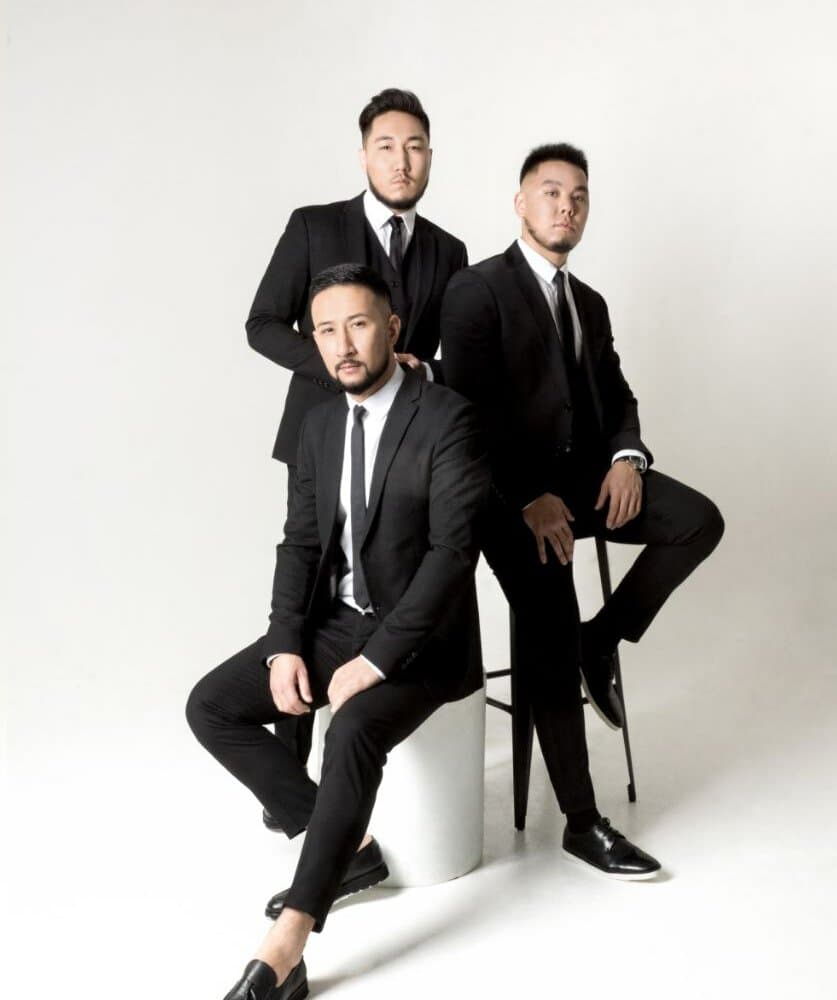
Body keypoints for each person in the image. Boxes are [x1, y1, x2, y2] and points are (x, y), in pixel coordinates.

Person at [187, 263, 488, 1000]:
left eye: (357, 324)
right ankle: (345, 843)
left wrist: (377, 660)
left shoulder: (447, 417)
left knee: (349, 729)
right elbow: (298, 543)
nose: (342, 345)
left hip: (425, 641)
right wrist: (285, 643)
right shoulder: (319, 424)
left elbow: (452, 557)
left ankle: (288, 942)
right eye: (325, 330)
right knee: (211, 705)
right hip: (337, 622)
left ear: (391, 328)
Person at [441, 143, 724, 878]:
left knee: (698, 520)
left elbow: (617, 393)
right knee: (548, 624)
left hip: (586, 481)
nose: (566, 207)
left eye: (579, 197)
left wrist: (627, 457)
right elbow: (465, 415)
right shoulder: (476, 289)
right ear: (520, 203)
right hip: (507, 499)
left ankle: (603, 638)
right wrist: (525, 497)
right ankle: (580, 821)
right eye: (551, 193)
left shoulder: (587, 302)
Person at [246, 88, 468, 797]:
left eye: (414, 147)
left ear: (429, 157)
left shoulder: (448, 250)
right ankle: (295, 771)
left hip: (404, 438)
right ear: (363, 155)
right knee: (313, 578)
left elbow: (453, 358)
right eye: (386, 146)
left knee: (393, 568)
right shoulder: (315, 226)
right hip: (320, 434)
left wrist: (418, 370)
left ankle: (373, 709)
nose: (401, 161)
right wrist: (341, 368)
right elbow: (262, 324)